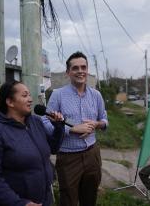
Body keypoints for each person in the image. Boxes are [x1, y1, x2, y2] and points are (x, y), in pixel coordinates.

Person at [0, 81, 65, 206]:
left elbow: (53, 148)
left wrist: (59, 127)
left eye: (30, 95)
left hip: (45, 200)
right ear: (10, 102)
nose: (30, 99)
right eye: (25, 95)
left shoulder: (36, 122)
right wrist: (19, 203)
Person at [42, 51, 108, 206]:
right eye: (75, 68)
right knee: (68, 200)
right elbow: (44, 121)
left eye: (83, 67)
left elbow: (105, 120)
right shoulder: (58, 95)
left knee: (90, 198)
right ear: (68, 72)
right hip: (68, 157)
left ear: (87, 70)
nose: (80, 71)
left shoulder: (96, 95)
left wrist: (97, 124)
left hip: (92, 154)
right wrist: (71, 129)